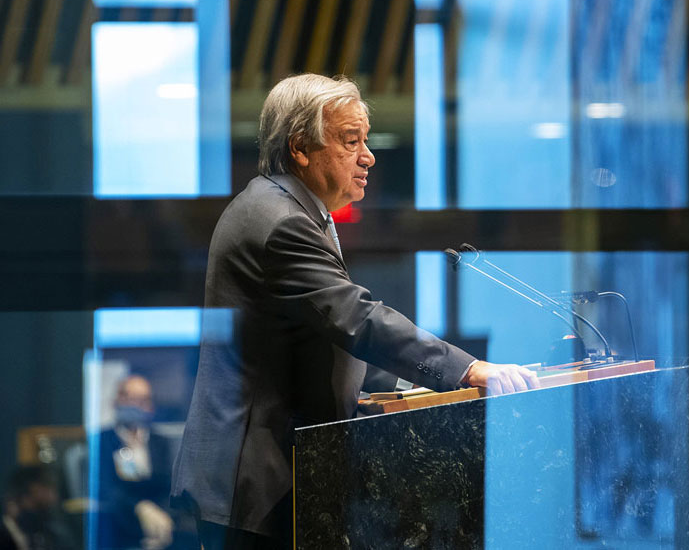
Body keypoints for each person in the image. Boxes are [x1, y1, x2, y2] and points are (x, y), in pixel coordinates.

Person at [170, 73, 539, 548]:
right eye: (351, 141)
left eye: (365, 140)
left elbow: (320, 339)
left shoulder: (293, 209)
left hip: (264, 477)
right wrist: (465, 369)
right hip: (252, 483)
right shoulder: (279, 221)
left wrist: (406, 385)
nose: (368, 156)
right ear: (301, 146)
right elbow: (356, 318)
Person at [95, 375, 175, 550]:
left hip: (161, 525)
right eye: (129, 398)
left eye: (142, 400)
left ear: (151, 406)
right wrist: (139, 508)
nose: (135, 405)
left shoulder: (160, 442)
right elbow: (105, 487)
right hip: (120, 525)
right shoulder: (102, 441)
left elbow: (169, 485)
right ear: (117, 400)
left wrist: (161, 514)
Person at [0, 466, 75, 550]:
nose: (54, 493)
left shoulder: (50, 530)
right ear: (34, 488)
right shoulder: (6, 534)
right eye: (49, 486)